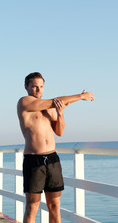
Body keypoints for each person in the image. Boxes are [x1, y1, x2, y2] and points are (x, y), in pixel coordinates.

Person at [17, 72, 94, 223]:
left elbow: (59, 132)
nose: (38, 90)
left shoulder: (51, 107)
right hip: (34, 160)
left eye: (41, 87)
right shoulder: (24, 102)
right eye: (34, 87)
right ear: (26, 87)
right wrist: (80, 96)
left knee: (54, 206)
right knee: (32, 206)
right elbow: (57, 101)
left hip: (52, 160)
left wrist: (60, 113)